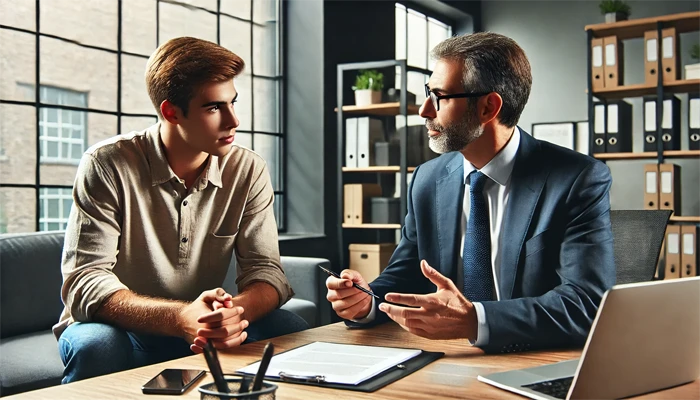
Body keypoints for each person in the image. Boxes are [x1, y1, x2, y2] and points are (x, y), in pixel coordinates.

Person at [326, 32, 615, 354]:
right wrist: (365, 301)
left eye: (440, 96)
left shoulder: (576, 178)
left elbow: (587, 303)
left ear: (488, 107)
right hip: (446, 360)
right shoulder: (427, 178)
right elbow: (406, 275)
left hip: (537, 358)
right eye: (427, 94)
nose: (423, 110)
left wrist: (476, 320)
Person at [54, 36, 308, 384]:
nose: (233, 120)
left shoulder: (248, 170)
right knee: (95, 346)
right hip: (119, 329)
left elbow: (267, 271)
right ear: (171, 111)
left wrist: (227, 317)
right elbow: (85, 281)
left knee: (289, 327)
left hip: (200, 330)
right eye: (213, 108)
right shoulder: (107, 164)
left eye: (233, 102)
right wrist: (179, 317)